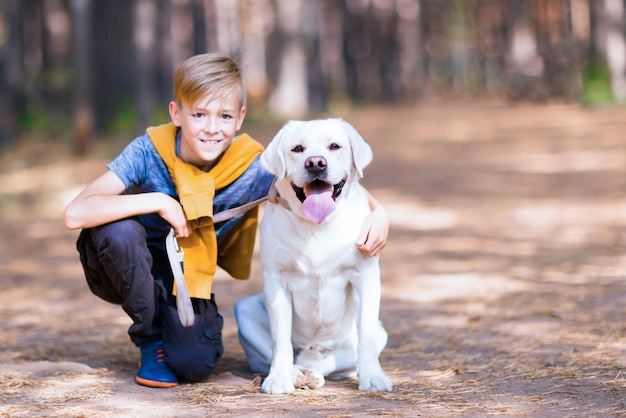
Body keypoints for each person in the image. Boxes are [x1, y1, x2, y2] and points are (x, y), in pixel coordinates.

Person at [63, 53, 389, 389]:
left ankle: (174, 337)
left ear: (239, 119)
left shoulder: (255, 166)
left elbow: (319, 184)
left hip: (187, 276)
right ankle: (150, 342)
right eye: (199, 114)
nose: (212, 127)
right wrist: (158, 201)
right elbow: (75, 212)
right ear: (176, 113)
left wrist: (380, 214)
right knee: (118, 229)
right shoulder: (148, 152)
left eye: (225, 115)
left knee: (194, 362)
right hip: (129, 263)